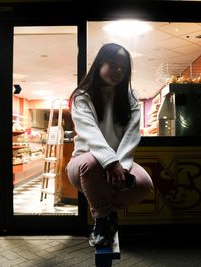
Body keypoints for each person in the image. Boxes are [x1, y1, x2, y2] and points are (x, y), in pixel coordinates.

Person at [66, 43, 154, 247]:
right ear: (99, 64)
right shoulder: (82, 96)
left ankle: (106, 210)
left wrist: (121, 165)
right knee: (92, 162)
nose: (118, 71)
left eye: (123, 67)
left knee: (144, 185)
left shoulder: (130, 96)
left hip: (117, 164)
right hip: (83, 165)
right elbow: (91, 134)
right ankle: (103, 220)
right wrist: (110, 161)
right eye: (113, 64)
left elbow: (132, 135)